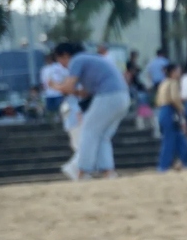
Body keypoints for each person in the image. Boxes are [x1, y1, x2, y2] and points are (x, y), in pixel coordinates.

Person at [49, 42, 130, 180]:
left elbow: (68, 88)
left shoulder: (77, 60)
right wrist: (65, 89)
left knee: (88, 131)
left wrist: (54, 86)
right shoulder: (91, 59)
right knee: (103, 135)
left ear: (65, 55)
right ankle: (108, 171)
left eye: (59, 60)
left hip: (108, 96)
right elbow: (85, 93)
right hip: (122, 96)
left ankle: (82, 170)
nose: (61, 65)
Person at [156, 63, 187, 172]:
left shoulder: (163, 83)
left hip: (162, 111)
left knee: (179, 139)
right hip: (169, 111)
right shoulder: (173, 83)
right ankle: (163, 166)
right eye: (178, 71)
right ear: (173, 72)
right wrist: (182, 109)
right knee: (169, 140)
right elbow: (175, 98)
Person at [41, 53, 67, 122]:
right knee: (50, 110)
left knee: (60, 109)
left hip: (58, 92)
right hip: (48, 93)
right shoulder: (44, 69)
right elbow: (43, 81)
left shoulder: (58, 67)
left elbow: (64, 77)